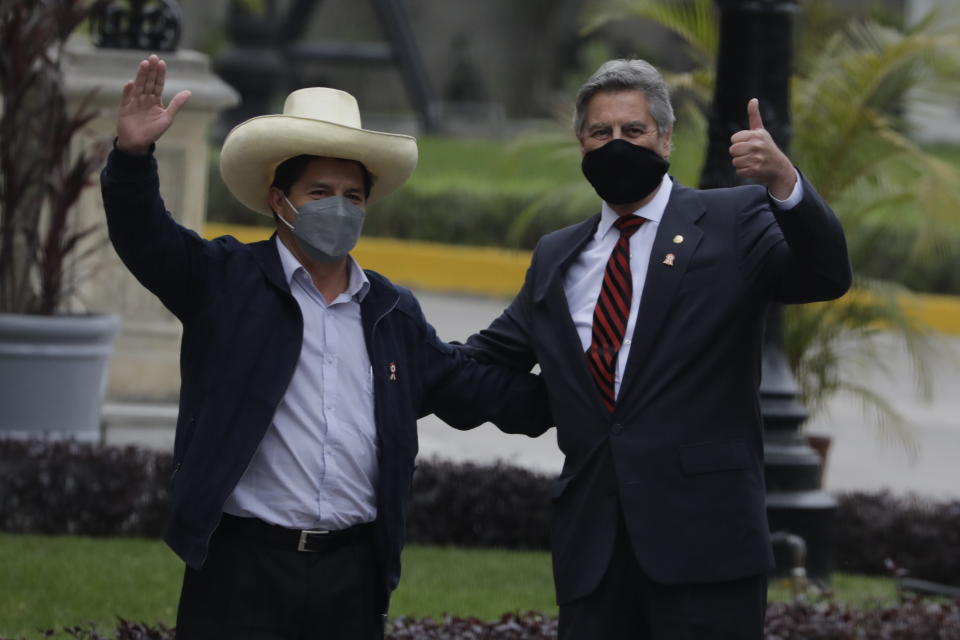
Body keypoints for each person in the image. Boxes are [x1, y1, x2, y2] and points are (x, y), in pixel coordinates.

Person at [100, 54, 551, 640]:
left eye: (352, 196)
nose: (338, 207)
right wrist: (132, 157)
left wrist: (578, 392)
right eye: (319, 191)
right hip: (241, 569)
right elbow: (146, 236)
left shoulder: (390, 311)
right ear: (277, 200)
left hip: (352, 577)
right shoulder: (225, 279)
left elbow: (469, 385)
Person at [463, 59, 852, 639]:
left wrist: (782, 182)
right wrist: (393, 354)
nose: (616, 144)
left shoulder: (733, 218)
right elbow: (487, 362)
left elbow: (824, 276)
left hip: (706, 551)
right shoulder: (557, 255)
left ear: (666, 140)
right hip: (594, 554)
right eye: (601, 133)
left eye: (633, 131)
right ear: (581, 143)